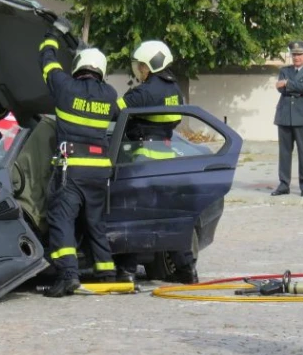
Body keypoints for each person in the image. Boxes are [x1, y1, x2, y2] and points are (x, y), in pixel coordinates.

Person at [39, 25, 118, 297]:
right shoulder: (110, 95)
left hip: (71, 167)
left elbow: (47, 63)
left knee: (61, 219)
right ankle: (107, 271)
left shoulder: (64, 86)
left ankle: (68, 275)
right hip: (99, 171)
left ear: (78, 66)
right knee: (95, 221)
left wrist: (51, 35)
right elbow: (120, 115)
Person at [114, 40, 197, 284]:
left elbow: (113, 111)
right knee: (170, 218)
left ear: (150, 65)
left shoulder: (145, 92)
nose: (139, 70)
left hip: (143, 157)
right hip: (167, 157)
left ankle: (127, 271)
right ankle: (186, 269)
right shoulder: (174, 89)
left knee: (134, 215)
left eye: (141, 66)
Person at [272, 41, 303, 197]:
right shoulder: (284, 70)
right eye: (294, 54)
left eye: (299, 54)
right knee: (284, 153)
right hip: (285, 115)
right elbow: (286, 90)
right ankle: (284, 184)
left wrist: (288, 84)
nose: (297, 57)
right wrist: (300, 88)